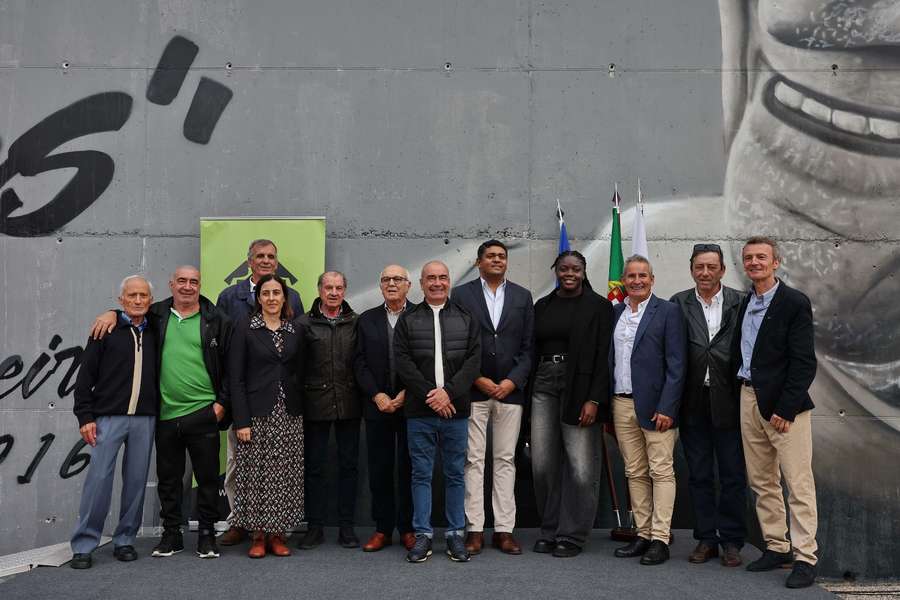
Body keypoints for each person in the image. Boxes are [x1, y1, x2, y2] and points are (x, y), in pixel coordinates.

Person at [89, 266, 232, 560]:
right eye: (182, 281)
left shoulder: (217, 319)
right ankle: (171, 535)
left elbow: (231, 365)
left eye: (193, 282)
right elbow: (131, 312)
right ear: (171, 284)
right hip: (165, 414)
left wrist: (221, 404)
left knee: (207, 479)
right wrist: (111, 313)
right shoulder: (157, 315)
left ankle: (206, 535)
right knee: (169, 480)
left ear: (200, 285)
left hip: (204, 412)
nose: (187, 286)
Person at [734, 236, 818, 589]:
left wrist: (786, 407)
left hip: (784, 406)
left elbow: (804, 362)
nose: (754, 262)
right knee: (762, 480)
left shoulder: (794, 302)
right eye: (749, 258)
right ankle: (777, 546)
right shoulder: (745, 302)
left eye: (761, 257)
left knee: (797, 482)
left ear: (776, 262)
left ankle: (805, 557)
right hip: (748, 397)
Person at [217, 239, 303, 546]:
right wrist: (236, 412)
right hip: (250, 408)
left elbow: (298, 363)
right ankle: (245, 526)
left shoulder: (294, 321)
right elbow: (228, 361)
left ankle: (276, 532)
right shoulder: (232, 302)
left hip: (286, 410)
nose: (266, 260)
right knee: (245, 471)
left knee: (282, 472)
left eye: (271, 256)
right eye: (260, 256)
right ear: (249, 261)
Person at [394, 261, 481, 563]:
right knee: (421, 474)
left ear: (449, 282)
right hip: (420, 412)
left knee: (455, 473)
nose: (437, 283)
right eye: (430, 278)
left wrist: (449, 393)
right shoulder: (408, 319)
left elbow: (474, 361)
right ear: (421, 283)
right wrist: (432, 396)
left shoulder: (466, 317)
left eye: (442, 277)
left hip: (456, 411)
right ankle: (423, 535)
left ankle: (456, 534)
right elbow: (402, 361)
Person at [70, 276, 159, 569]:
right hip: (108, 418)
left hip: (145, 418)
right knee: (98, 481)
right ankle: (84, 544)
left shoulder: (157, 329)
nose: (138, 300)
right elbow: (85, 377)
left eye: (143, 296)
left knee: (136, 482)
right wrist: (85, 416)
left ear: (150, 300)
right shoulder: (105, 330)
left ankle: (125, 540)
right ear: (121, 300)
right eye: (132, 295)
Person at [452, 240, 533, 556]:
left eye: (502, 256)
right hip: (474, 390)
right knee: (473, 460)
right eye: (490, 256)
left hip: (511, 392)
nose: (497, 260)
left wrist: (512, 381)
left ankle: (503, 531)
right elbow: (456, 343)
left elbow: (529, 347)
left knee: (505, 460)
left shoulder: (522, 297)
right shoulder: (461, 295)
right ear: (479, 262)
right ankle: (474, 530)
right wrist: (477, 378)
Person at [530, 250, 613, 558]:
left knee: (580, 466)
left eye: (575, 269)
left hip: (580, 385)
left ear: (583, 271)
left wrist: (594, 399)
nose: (569, 274)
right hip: (543, 382)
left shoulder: (599, 306)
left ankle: (572, 535)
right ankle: (550, 529)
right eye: (564, 268)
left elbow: (605, 355)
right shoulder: (543, 306)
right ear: (556, 270)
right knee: (542, 463)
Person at [670, 245, 746, 567]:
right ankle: (705, 539)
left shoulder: (741, 302)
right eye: (699, 267)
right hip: (693, 401)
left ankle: (731, 541)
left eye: (711, 267)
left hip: (730, 399)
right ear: (691, 269)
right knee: (699, 474)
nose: (705, 273)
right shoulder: (678, 303)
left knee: (732, 474)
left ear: (722, 270)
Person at [610, 255, 686, 566]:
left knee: (661, 471)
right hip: (621, 403)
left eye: (643, 275)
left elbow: (677, 364)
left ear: (652, 280)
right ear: (623, 281)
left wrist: (668, 406)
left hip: (657, 407)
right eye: (631, 276)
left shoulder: (668, 311)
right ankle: (642, 534)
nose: (637, 281)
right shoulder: (615, 313)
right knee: (634, 471)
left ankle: (660, 538)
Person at [295, 272, 361, 550]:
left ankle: (347, 527)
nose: (333, 292)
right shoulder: (303, 324)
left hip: (350, 403)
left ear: (345, 290)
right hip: (315, 404)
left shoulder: (356, 322)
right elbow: (295, 367)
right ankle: (315, 527)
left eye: (339, 287)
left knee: (349, 467)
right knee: (314, 468)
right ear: (319, 290)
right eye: (328, 287)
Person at [354, 265, 415, 552]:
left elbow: (427, 360)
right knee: (379, 469)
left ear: (408, 285)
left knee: (410, 469)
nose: (392, 283)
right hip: (377, 407)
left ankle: (408, 528)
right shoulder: (366, 320)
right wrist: (377, 394)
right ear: (380, 286)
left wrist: (408, 392)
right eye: (386, 279)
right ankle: (382, 529)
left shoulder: (420, 316)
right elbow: (359, 362)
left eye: (398, 279)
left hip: (412, 406)